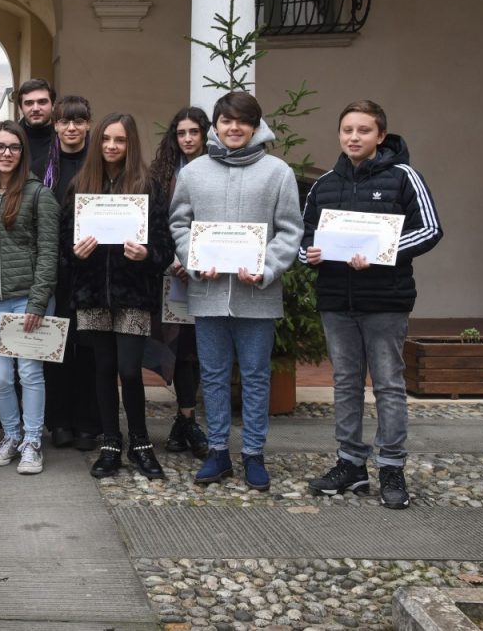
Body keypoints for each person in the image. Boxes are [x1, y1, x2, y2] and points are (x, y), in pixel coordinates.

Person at [302, 100, 442, 510]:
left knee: (388, 385)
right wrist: (306, 253)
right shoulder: (324, 183)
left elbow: (431, 229)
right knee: (345, 383)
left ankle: (392, 467)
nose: (354, 137)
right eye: (347, 130)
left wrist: (385, 252)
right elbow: (304, 236)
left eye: (363, 130)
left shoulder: (404, 178)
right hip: (336, 301)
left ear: (381, 136)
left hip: (385, 301)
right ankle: (350, 463)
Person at [170, 92, 303, 492]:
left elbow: (290, 230)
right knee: (211, 375)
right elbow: (180, 224)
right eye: (226, 121)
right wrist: (194, 259)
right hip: (209, 292)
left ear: (255, 126)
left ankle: (253, 454)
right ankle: (217, 452)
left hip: (257, 295)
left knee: (256, 376)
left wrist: (265, 267)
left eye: (241, 121)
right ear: (216, 126)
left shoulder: (277, 172)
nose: (233, 128)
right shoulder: (194, 173)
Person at [63, 113, 174, 480]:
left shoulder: (148, 187)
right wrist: (75, 252)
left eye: (120, 140)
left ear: (131, 145)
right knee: (103, 369)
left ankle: (140, 442)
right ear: (98, 143)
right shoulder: (81, 185)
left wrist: (147, 255)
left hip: (133, 293)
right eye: (107, 139)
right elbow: (65, 244)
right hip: (92, 293)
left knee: (129, 369)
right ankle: (111, 441)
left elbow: (164, 248)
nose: (112, 146)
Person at [0, 122, 59, 475]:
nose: (6, 153)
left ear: (23, 153)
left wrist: (39, 302)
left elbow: (48, 253)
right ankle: (11, 436)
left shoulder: (39, 194)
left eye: (14, 147)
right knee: (0, 377)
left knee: (29, 371)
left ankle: (33, 441)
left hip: (28, 297)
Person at [149, 107, 212, 460]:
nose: (188, 139)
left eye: (194, 132)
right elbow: (157, 221)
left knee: (195, 349)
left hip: (208, 273)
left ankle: (185, 419)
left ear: (205, 135)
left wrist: (196, 259)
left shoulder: (218, 169)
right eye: (181, 133)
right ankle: (185, 420)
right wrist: (173, 259)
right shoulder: (162, 175)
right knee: (176, 347)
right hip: (170, 273)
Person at [43, 94, 98, 450]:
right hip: (55, 271)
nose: (72, 128)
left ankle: (88, 423)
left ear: (88, 124)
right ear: (55, 125)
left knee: (91, 350)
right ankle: (58, 420)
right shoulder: (43, 166)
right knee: (56, 347)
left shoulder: (100, 162)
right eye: (65, 121)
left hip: (94, 271)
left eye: (78, 121)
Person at [16, 78, 56, 181]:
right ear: (21, 107)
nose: (36, 108)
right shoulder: (10, 138)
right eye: (29, 103)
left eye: (42, 102)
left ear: (53, 105)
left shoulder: (65, 137)